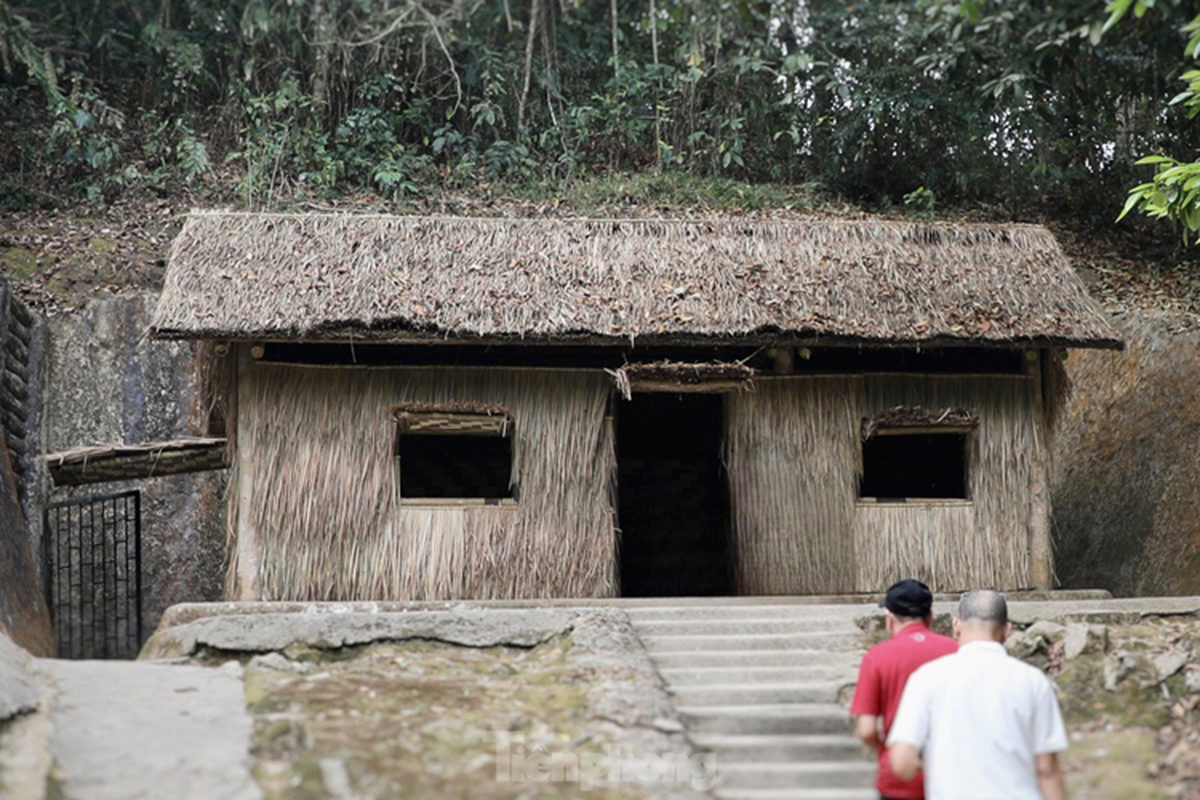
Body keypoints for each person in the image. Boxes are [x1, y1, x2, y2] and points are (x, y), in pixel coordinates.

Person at [888, 589, 1069, 800]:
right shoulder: (1033, 680)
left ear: (956, 625)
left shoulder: (927, 677)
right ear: (1007, 630)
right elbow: (1047, 768)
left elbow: (901, 763)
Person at [850, 578, 957, 800]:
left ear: (889, 619)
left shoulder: (876, 657)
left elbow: (866, 729)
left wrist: (887, 752)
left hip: (900, 777)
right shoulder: (956, 651)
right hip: (952, 774)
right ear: (930, 618)